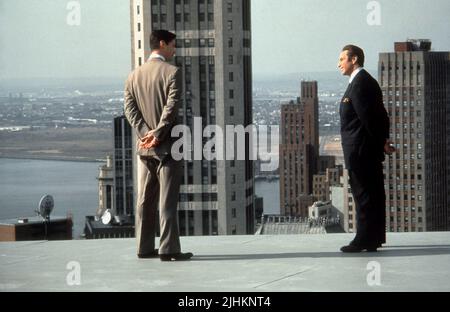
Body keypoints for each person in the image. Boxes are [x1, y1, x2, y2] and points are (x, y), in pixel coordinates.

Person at [124, 30, 193, 261]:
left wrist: (145, 134)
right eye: (173, 45)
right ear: (162, 44)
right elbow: (171, 108)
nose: (174, 49)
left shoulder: (133, 76)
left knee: (144, 200)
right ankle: (169, 249)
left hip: (145, 149)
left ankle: (143, 248)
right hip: (168, 147)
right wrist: (158, 133)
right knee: (167, 200)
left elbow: (130, 110)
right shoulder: (173, 72)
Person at [337, 44, 396, 253]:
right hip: (363, 149)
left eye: (342, 59)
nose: (339, 64)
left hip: (361, 151)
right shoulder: (361, 82)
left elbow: (371, 119)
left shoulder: (361, 83)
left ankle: (363, 239)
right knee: (371, 194)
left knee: (364, 195)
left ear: (354, 60)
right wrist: (383, 141)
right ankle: (373, 238)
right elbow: (379, 116)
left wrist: (380, 142)